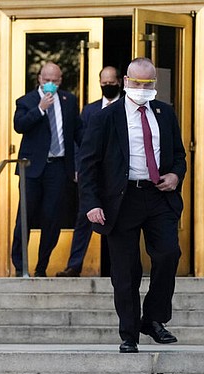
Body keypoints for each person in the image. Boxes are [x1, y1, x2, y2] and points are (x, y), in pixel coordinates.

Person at [78, 57, 186, 353]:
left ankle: (152, 319)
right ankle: (129, 334)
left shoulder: (165, 113)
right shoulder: (105, 117)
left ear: (154, 83)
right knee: (125, 271)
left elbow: (179, 154)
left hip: (158, 196)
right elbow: (87, 164)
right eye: (136, 82)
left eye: (147, 83)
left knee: (168, 254)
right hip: (120, 201)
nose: (141, 88)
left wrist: (176, 175)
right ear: (125, 82)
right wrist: (91, 203)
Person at [11, 61, 81, 277]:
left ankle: (42, 267)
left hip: (58, 168)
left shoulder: (69, 101)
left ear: (60, 81)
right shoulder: (26, 101)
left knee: (52, 219)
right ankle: (20, 267)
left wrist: (80, 165)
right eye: (46, 80)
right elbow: (19, 125)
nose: (50, 84)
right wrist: (40, 109)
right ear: (39, 79)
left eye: (55, 81)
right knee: (26, 218)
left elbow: (78, 134)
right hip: (31, 169)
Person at [56, 66, 122, 277]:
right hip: (94, 176)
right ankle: (74, 265)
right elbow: (82, 144)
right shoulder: (90, 110)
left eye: (111, 82)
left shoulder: (126, 107)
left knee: (121, 221)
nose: (107, 86)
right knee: (84, 219)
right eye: (104, 82)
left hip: (119, 176)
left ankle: (118, 268)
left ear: (119, 82)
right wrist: (78, 168)